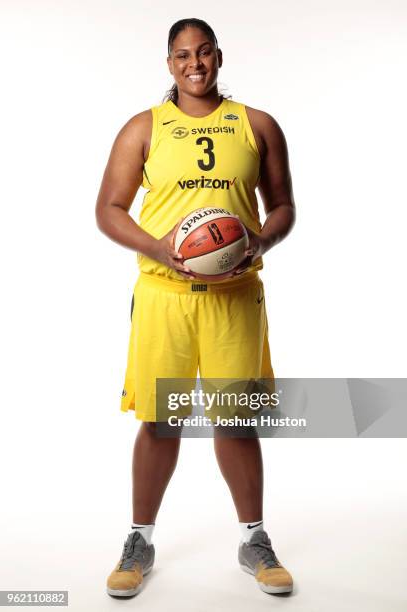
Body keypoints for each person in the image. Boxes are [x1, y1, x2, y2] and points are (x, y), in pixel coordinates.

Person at [95, 17, 295, 598]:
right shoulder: (144, 128)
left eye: (203, 52)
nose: (194, 64)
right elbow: (109, 208)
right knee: (160, 421)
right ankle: (140, 539)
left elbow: (282, 205)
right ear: (169, 64)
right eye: (182, 55)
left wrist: (259, 240)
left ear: (219, 56)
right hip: (165, 296)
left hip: (235, 298)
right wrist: (157, 247)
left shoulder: (256, 125)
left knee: (235, 421)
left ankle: (254, 539)